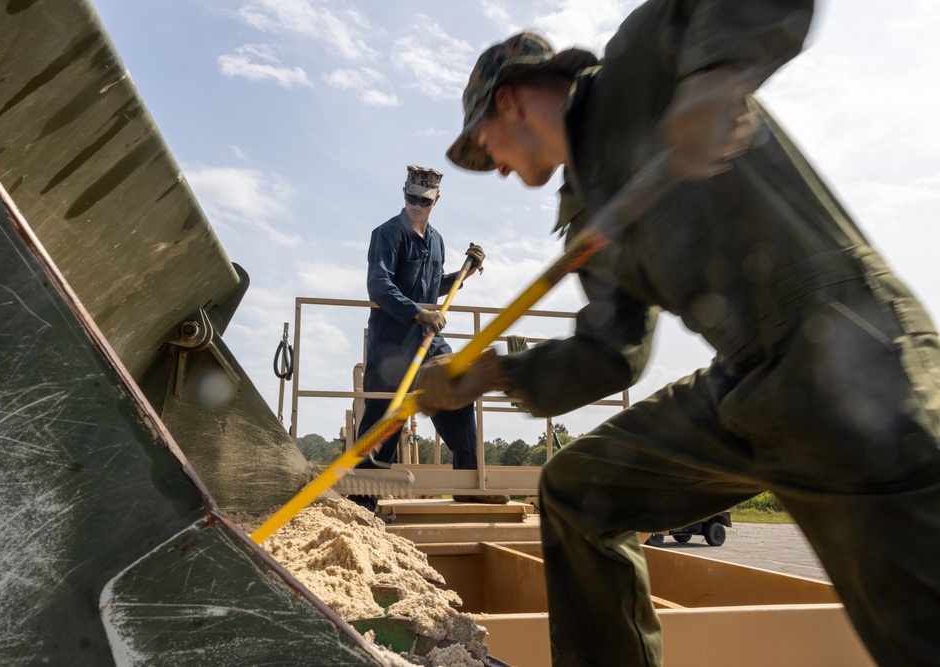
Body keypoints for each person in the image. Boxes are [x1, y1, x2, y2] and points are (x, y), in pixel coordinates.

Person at [417, 3, 940, 666]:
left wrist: (712, 79)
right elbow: (612, 352)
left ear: (510, 100)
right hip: (746, 388)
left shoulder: (641, 63)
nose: (491, 167)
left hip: (848, 355)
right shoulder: (588, 214)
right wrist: (497, 373)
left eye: (482, 144)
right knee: (577, 491)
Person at [349, 164, 508, 512]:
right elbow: (379, 284)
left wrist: (461, 275)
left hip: (427, 335)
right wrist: (419, 313)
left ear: (436, 200)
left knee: (456, 385)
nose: (416, 205)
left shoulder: (436, 241)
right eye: (411, 197)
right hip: (394, 338)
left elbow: (429, 288)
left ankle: (468, 483)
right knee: (387, 414)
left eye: (423, 200)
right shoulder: (387, 234)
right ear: (403, 192)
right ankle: (363, 500)